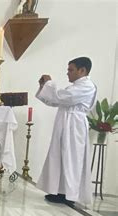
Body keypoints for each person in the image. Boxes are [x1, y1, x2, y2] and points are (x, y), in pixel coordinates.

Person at [36, 57, 97, 205]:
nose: (67, 73)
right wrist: (44, 86)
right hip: (65, 122)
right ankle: (59, 191)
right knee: (60, 157)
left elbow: (62, 97)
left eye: (71, 69)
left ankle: (70, 195)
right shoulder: (75, 86)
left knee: (72, 159)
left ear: (82, 70)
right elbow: (55, 101)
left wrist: (50, 84)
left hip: (74, 125)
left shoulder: (87, 86)